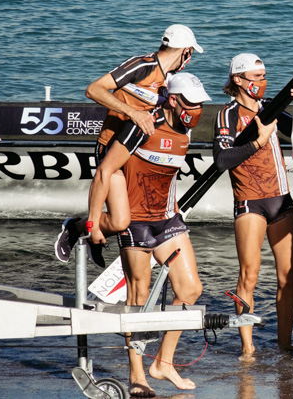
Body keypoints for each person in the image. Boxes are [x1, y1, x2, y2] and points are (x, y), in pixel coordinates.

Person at [84, 71, 211, 396]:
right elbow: (105, 171)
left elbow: (164, 174)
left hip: (167, 218)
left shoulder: (186, 130)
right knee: (138, 299)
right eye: (191, 104)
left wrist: (176, 206)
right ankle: (137, 375)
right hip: (136, 221)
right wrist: (93, 221)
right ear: (173, 99)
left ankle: (163, 363)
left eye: (200, 105)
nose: (196, 111)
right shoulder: (143, 126)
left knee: (191, 290)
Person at [55, 24, 202, 266]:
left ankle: (97, 236)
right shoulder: (142, 65)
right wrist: (133, 112)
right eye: (191, 54)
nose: (190, 59)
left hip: (138, 156)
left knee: (132, 219)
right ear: (185, 51)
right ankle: (78, 228)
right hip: (112, 147)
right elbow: (94, 89)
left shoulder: (171, 81)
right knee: (119, 222)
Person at [213, 52, 293, 357]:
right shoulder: (227, 115)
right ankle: (248, 347)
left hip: (281, 200)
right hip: (250, 202)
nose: (263, 82)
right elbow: (221, 161)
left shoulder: (272, 108)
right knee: (249, 276)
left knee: (288, 275)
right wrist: (257, 141)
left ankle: (285, 344)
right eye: (257, 77)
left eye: (265, 75)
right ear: (238, 80)